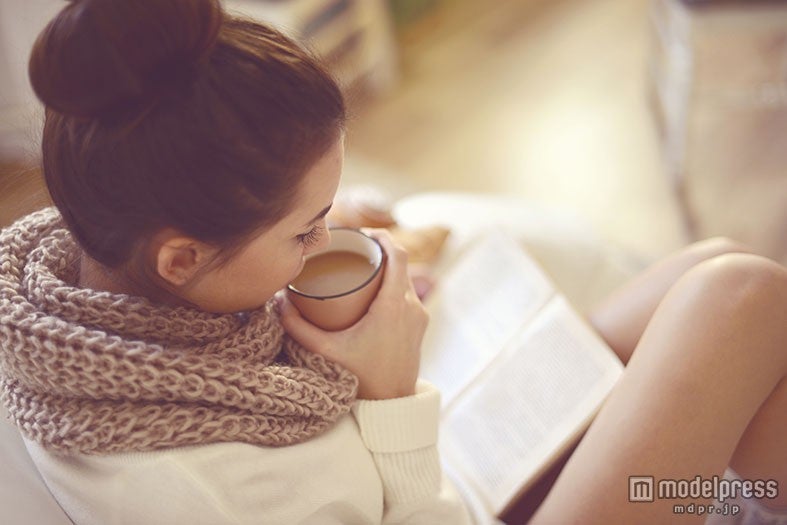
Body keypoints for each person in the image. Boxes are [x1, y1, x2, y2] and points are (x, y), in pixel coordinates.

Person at [0, 0, 784, 524]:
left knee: (707, 275)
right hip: (432, 494)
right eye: (306, 230)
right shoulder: (202, 481)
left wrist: (315, 218)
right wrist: (390, 395)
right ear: (182, 256)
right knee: (739, 295)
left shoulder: (70, 281)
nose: (322, 241)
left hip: (448, 473)